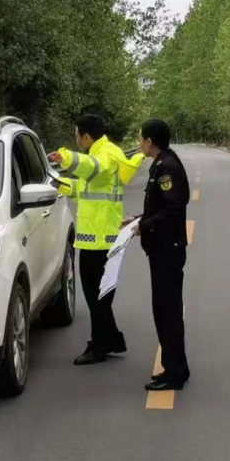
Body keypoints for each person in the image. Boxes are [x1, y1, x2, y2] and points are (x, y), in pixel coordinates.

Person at [49, 113, 142, 365]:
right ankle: (111, 340)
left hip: (101, 241)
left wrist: (66, 157)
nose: (76, 140)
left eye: (77, 136)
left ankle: (99, 346)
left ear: (86, 136)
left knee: (97, 297)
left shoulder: (105, 156)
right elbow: (84, 189)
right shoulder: (102, 152)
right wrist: (59, 184)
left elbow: (94, 169)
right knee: (98, 297)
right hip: (98, 239)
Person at [130, 118, 190, 391]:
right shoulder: (162, 163)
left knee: (168, 312)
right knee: (163, 310)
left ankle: (175, 373)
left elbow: (172, 210)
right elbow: (159, 208)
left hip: (167, 249)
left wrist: (144, 226)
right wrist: (138, 220)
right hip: (162, 248)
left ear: (149, 141)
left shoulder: (167, 167)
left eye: (140, 138)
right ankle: (174, 367)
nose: (139, 143)